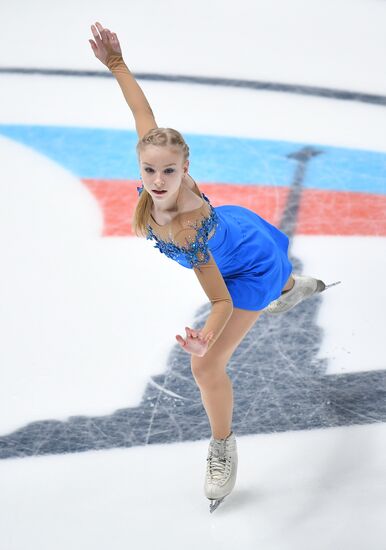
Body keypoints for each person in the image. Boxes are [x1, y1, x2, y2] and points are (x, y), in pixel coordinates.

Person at [89, 21, 339, 513]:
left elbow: (221, 298)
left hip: (243, 267)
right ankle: (291, 288)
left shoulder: (188, 226)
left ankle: (221, 446)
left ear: (186, 170)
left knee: (205, 364)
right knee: (279, 286)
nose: (158, 180)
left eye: (169, 171)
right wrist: (117, 64)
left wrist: (206, 337)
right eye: (150, 170)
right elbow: (144, 113)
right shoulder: (155, 165)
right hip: (242, 234)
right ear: (142, 164)